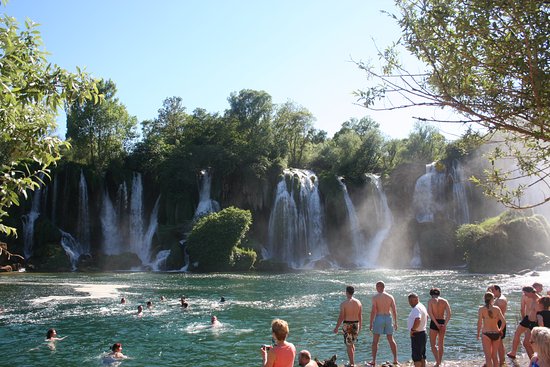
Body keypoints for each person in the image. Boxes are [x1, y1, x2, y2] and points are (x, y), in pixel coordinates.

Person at [368, 281, 398, 366]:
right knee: (391, 339)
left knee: (375, 341)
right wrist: (396, 322)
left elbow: (373, 311)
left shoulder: (375, 297)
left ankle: (373, 361)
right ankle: (395, 359)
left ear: (379, 287)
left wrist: (370, 323)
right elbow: (394, 310)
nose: (376, 288)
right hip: (388, 318)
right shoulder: (390, 296)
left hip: (379, 317)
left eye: (377, 286)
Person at [507, 286, 541, 360]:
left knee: (528, 343)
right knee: (521, 338)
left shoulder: (538, 300)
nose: (525, 295)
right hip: (528, 319)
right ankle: (532, 360)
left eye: (526, 293)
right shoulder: (531, 298)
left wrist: (539, 325)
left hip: (533, 323)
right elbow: (523, 309)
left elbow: (540, 314)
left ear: (530, 292)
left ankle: (536, 360)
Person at [333, 285, 363, 367]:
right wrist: (360, 325)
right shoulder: (358, 302)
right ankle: (352, 361)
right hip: (356, 324)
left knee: (349, 345)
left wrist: (336, 327)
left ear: (346, 292)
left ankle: (352, 363)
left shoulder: (344, 304)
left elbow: (341, 317)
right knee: (352, 343)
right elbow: (360, 316)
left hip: (348, 324)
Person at [477, 292, 506, 367]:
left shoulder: (481, 309)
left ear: (484, 299)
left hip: (486, 333)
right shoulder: (497, 309)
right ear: (492, 299)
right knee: (494, 356)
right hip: (496, 333)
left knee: (488, 358)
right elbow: (503, 322)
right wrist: (500, 330)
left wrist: (478, 334)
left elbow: (479, 323)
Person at [427, 288, 451, 367]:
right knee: (441, 344)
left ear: (431, 294)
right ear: (439, 294)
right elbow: (449, 314)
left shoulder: (430, 301)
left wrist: (436, 323)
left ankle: (437, 362)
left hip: (434, 323)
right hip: (442, 322)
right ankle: (439, 362)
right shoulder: (444, 301)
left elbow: (430, 313)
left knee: (433, 344)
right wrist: (445, 324)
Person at [407, 293, 428, 367]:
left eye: (411, 301)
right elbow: (427, 317)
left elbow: (418, 319)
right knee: (422, 355)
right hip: (423, 333)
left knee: (417, 357)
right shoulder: (422, 306)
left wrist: (413, 329)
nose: (410, 303)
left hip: (417, 334)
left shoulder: (416, 308)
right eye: (409, 301)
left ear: (416, 299)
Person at [489, 285, 508, 366]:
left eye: (492, 290)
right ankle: (501, 361)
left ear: (497, 290)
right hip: (499, 322)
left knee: (499, 343)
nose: (491, 292)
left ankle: (501, 362)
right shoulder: (498, 298)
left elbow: (497, 315)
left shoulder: (500, 300)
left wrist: (493, 325)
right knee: (499, 343)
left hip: (499, 323)